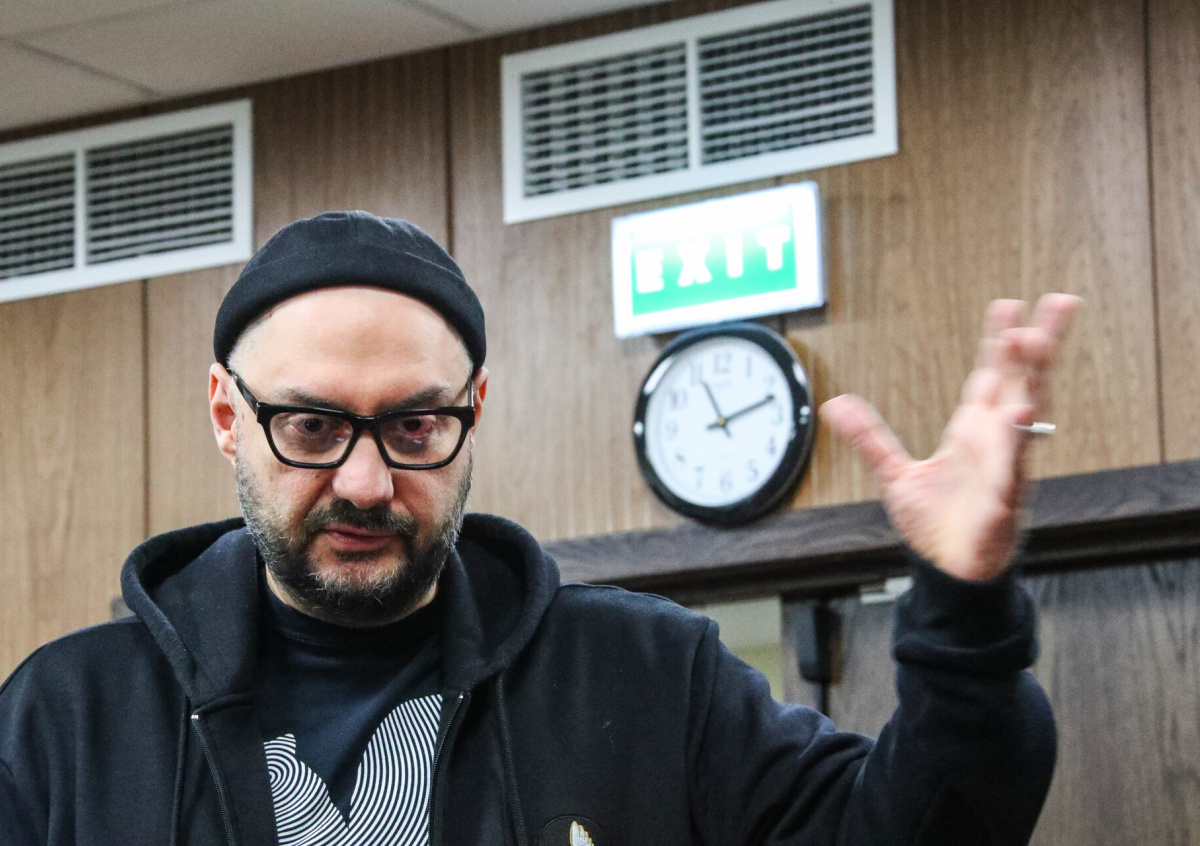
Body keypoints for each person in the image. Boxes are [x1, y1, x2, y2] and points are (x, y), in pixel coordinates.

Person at [0, 210, 1077, 846]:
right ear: (227, 416)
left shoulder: (645, 677)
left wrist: (964, 607)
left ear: (473, 411)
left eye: (415, 426)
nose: (367, 482)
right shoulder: (67, 720)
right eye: (312, 426)